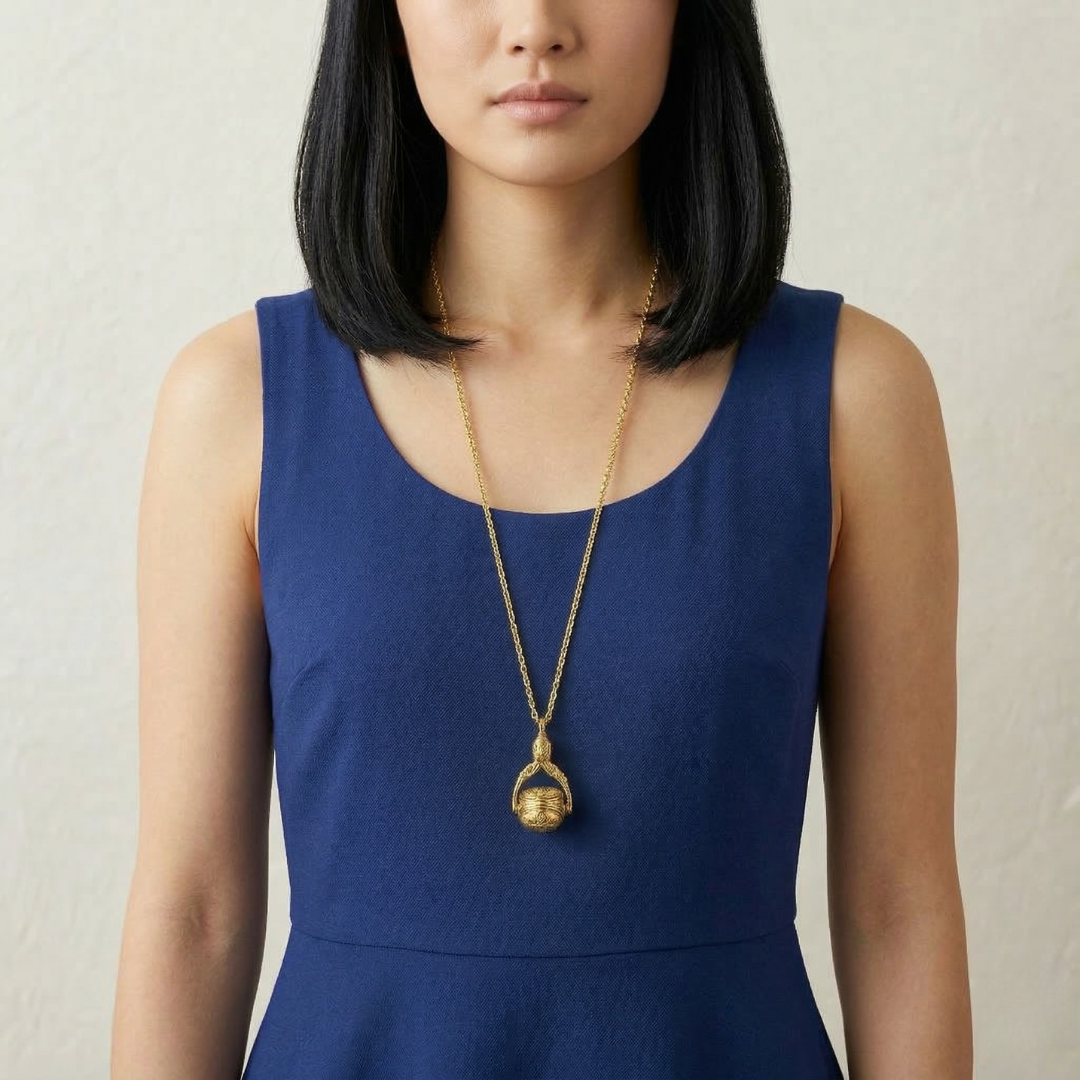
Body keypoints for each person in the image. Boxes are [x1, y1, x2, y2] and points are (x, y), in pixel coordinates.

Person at [111, 2, 973, 1078]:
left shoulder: (853, 395)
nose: (535, 23)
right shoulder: (234, 402)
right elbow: (193, 913)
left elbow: (900, 904)